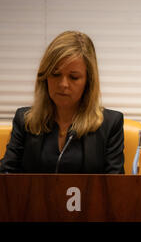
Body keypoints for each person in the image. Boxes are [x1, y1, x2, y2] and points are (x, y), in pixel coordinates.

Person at [0, 31, 124, 173]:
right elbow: (6, 177)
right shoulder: (25, 120)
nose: (63, 84)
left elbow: (115, 188)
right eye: (55, 74)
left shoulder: (110, 124)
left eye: (74, 77)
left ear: (88, 81)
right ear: (45, 77)